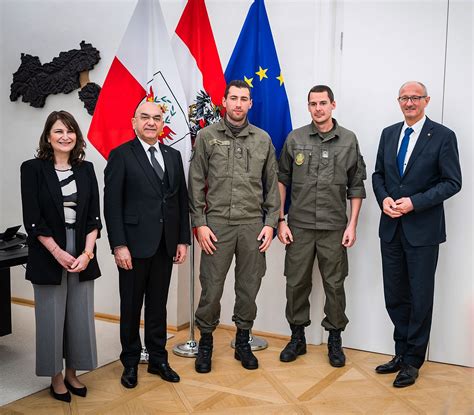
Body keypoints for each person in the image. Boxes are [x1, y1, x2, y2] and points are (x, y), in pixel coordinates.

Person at [372, 81, 461, 387]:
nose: (409, 102)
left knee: (420, 297)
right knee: (395, 295)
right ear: (399, 101)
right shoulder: (389, 133)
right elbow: (378, 175)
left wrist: (414, 203)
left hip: (423, 232)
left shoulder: (443, 136)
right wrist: (383, 197)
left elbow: (452, 182)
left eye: (415, 98)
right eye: (404, 98)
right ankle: (400, 352)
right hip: (391, 229)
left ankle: (413, 361)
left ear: (426, 101)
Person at [188, 80, 280, 373]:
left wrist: (270, 224)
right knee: (211, 289)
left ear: (250, 104)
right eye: (233, 98)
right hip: (217, 226)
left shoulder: (263, 139)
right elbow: (195, 182)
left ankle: (243, 341)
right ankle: (206, 343)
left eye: (244, 99)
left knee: (248, 287)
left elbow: (272, 187)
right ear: (224, 102)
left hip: (253, 226)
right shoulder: (206, 136)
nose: (238, 104)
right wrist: (199, 224)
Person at [277, 85, 366, 368]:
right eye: (313, 103)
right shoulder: (295, 138)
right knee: (296, 283)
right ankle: (297, 337)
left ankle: (335, 340)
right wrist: (281, 219)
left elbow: (356, 186)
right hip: (300, 226)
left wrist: (352, 226)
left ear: (333, 105)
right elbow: (282, 181)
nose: (318, 108)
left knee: (334, 285)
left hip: (334, 228)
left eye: (323, 103)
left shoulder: (348, 140)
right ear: (309, 106)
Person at [104, 100, 190, 388]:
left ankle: (158, 359)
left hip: (166, 245)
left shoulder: (173, 155)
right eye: (145, 117)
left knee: (158, 305)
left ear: (162, 123)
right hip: (133, 246)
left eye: (156, 118)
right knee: (130, 306)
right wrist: (118, 245)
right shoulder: (121, 155)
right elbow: (112, 205)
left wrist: (182, 239)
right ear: (134, 121)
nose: (151, 122)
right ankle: (130, 362)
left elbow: (180, 200)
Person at [20, 110, 101, 402]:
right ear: (48, 137)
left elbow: (94, 217)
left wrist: (88, 253)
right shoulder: (32, 169)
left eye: (70, 131)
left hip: (82, 249)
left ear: (77, 136)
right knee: (51, 317)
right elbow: (33, 218)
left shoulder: (87, 169)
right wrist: (56, 251)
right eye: (58, 131)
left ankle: (73, 373)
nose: (65, 136)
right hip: (47, 249)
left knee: (80, 315)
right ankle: (55, 377)